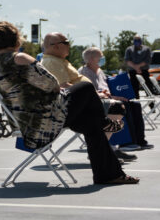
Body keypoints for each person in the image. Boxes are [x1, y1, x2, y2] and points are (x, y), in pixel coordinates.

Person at [0, 21, 137, 185]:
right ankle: (105, 123)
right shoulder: (20, 59)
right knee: (86, 87)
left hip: (27, 125)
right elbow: (52, 84)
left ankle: (108, 175)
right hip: (46, 121)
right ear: (15, 39)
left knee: (91, 125)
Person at [41, 33, 133, 162]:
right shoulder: (52, 62)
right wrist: (95, 94)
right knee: (115, 108)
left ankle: (105, 150)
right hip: (71, 108)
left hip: (79, 103)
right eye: (66, 42)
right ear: (56, 46)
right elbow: (64, 86)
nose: (69, 45)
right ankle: (102, 151)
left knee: (115, 108)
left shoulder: (58, 61)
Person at [79, 46, 152, 152]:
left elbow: (106, 88)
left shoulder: (99, 71)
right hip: (95, 102)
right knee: (120, 105)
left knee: (135, 105)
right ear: (91, 59)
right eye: (100, 56)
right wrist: (113, 97)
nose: (103, 58)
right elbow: (92, 92)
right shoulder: (84, 72)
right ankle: (124, 142)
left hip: (108, 98)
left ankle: (139, 140)